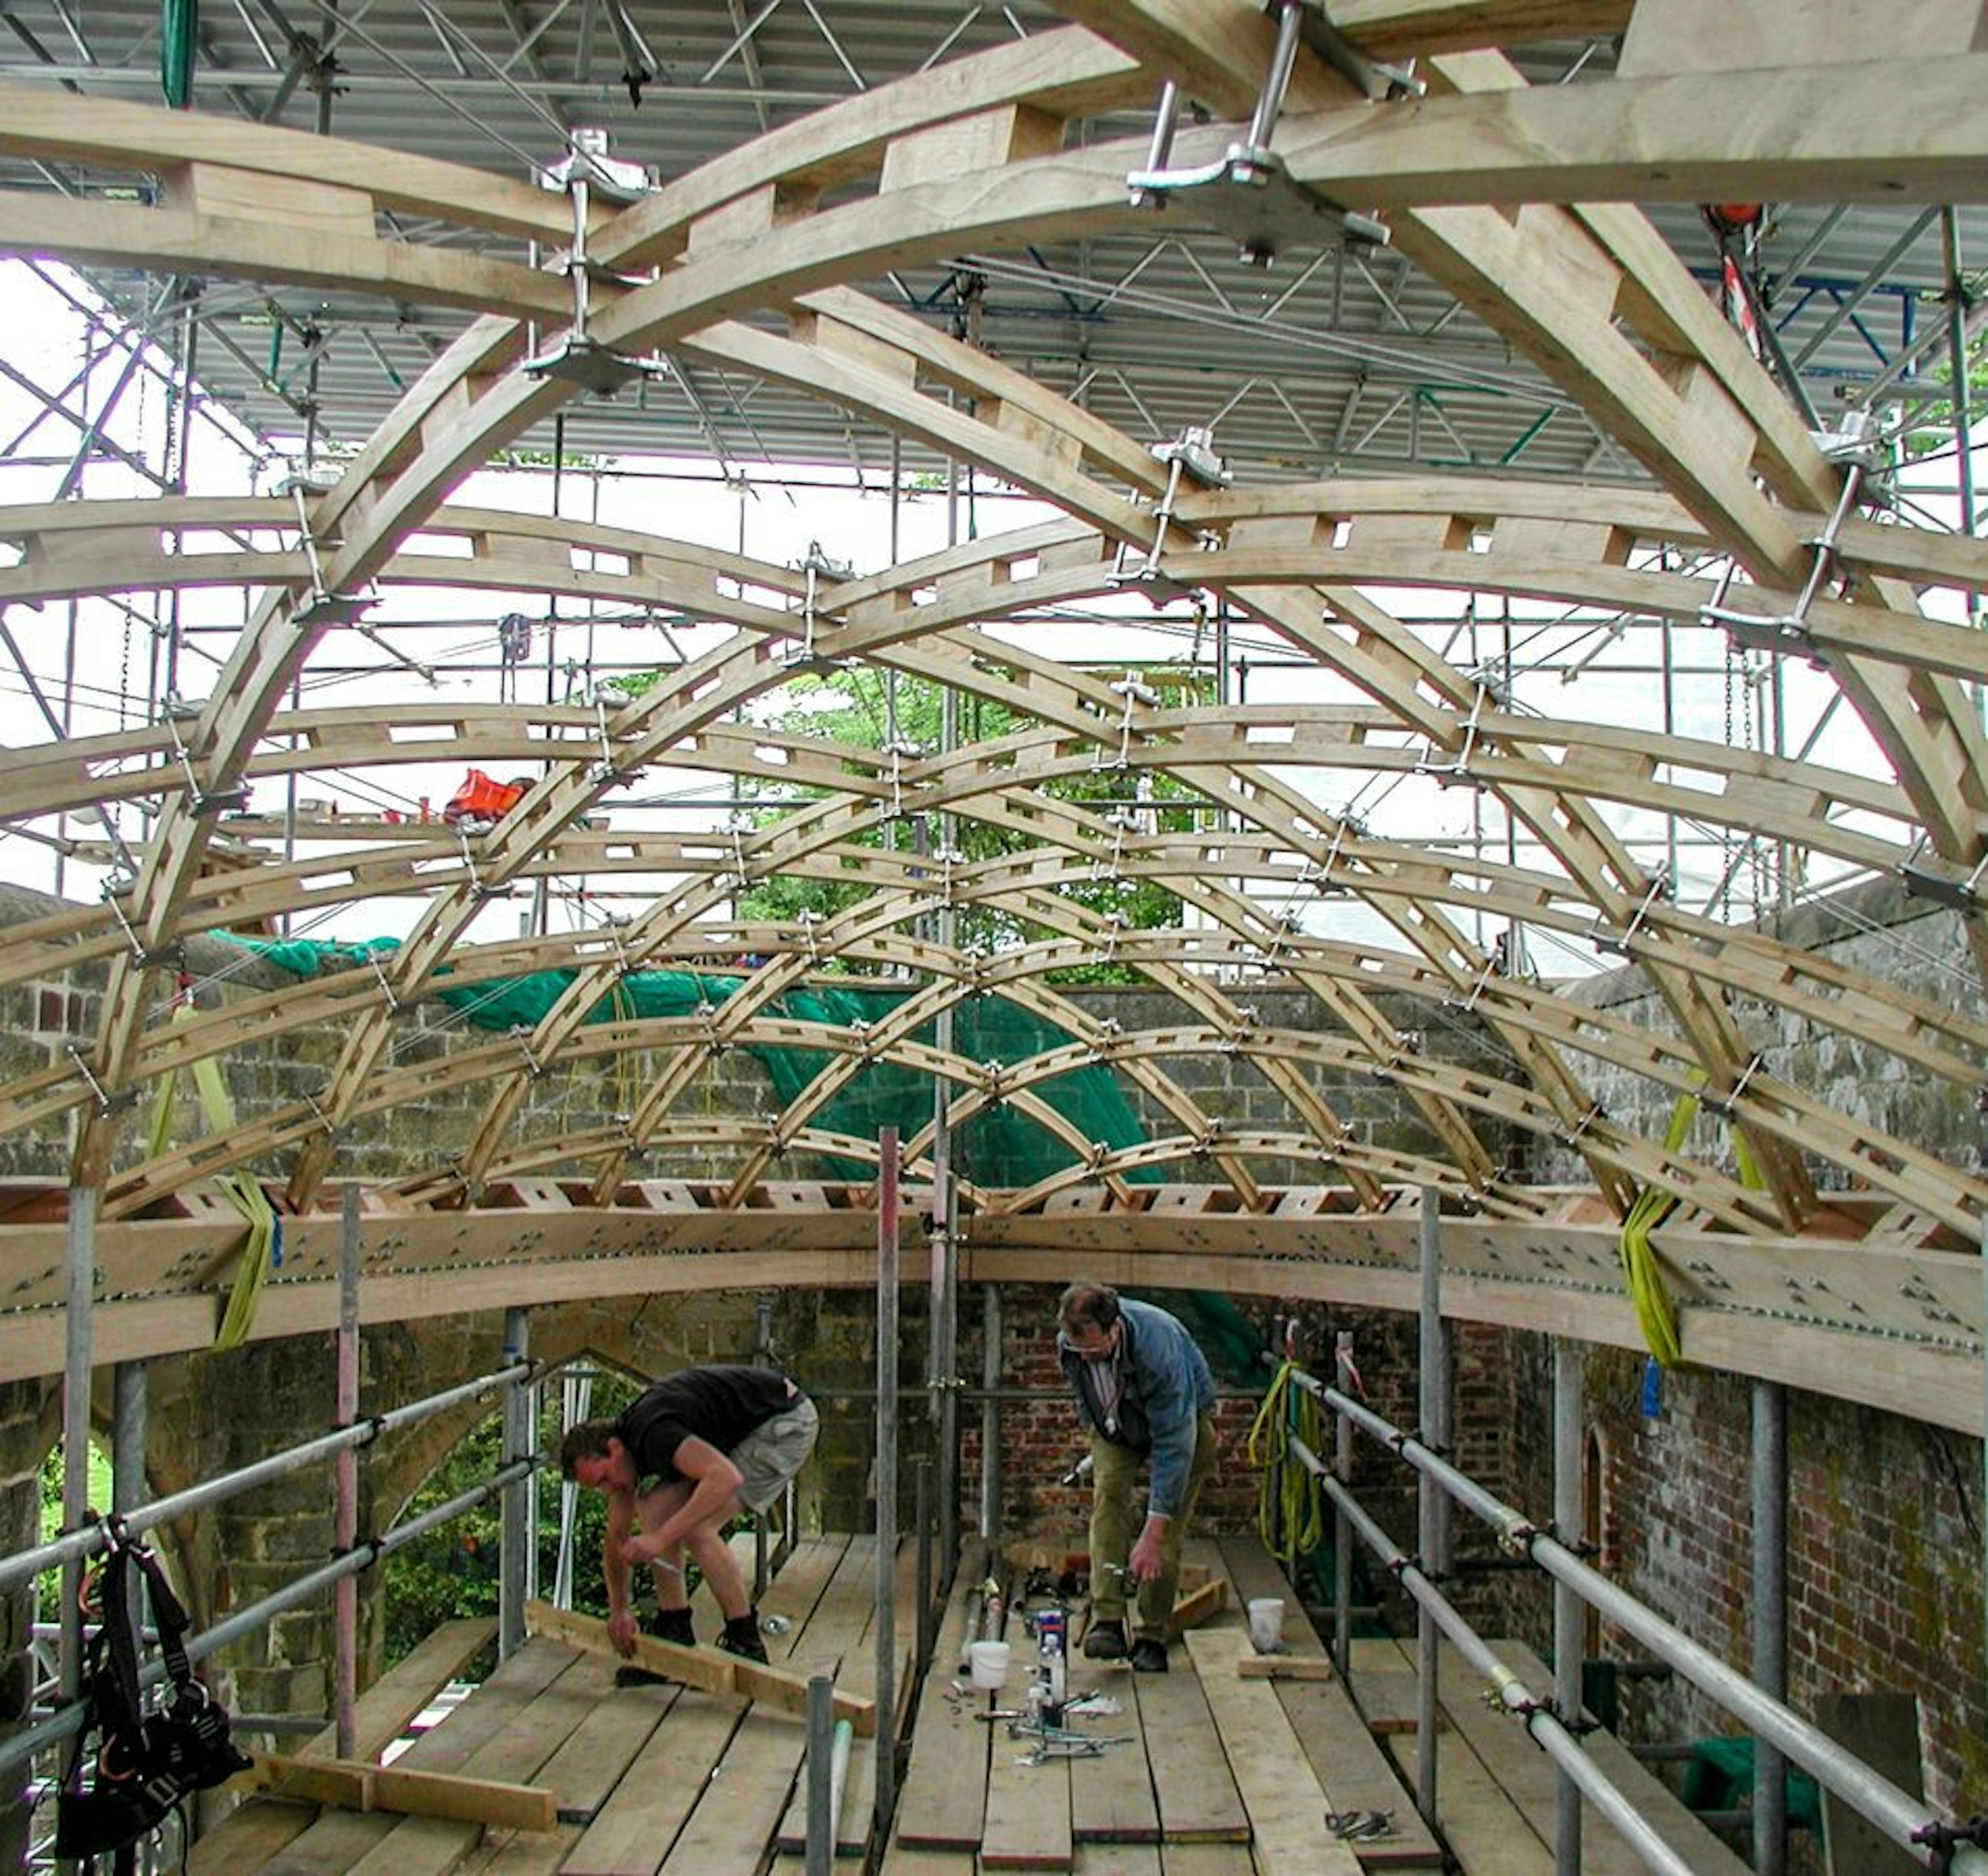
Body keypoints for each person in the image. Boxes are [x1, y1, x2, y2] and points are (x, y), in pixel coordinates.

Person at [560, 1365, 818, 1683]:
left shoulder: (655, 1433)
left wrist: (658, 1541)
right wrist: (619, 1610)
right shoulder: (626, 1456)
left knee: (697, 1528)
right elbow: (616, 1538)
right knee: (654, 1509)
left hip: (784, 1422)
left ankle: (745, 1640)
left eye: (605, 1479)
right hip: (743, 1429)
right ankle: (675, 1629)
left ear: (613, 1449)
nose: (609, 1490)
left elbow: (725, 1478)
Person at [1056, 1282, 1218, 1675]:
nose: (1087, 1356)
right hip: (1117, 1426)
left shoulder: (1157, 1348)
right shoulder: (1070, 1344)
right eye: (1079, 1350)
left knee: (1165, 1530)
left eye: (1093, 1347)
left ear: (1115, 1329)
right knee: (1108, 1501)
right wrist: (1100, 1426)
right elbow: (1085, 1395)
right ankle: (1108, 1619)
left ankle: (1151, 1634)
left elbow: (1175, 1444)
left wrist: (1151, 1532)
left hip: (1183, 1425)